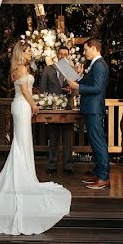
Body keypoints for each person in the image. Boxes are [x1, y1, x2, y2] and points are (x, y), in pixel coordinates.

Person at [0, 41, 72, 234]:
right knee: (21, 141)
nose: (31, 53)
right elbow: (25, 92)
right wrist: (34, 106)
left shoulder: (16, 68)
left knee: (21, 141)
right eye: (28, 50)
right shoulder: (22, 68)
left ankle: (24, 173)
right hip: (23, 105)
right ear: (21, 53)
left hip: (19, 105)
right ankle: (22, 176)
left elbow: (24, 90)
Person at [66, 38, 111, 190]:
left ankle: (104, 177)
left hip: (94, 109)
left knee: (98, 143)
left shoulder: (99, 65)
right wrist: (75, 85)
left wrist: (78, 87)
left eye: (85, 49)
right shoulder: (96, 65)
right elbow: (89, 83)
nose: (84, 53)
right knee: (95, 142)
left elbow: (97, 88)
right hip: (91, 109)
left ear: (94, 48)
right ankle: (99, 174)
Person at [40, 46, 74, 174]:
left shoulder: (70, 70)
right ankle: (52, 165)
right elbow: (43, 89)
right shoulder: (48, 69)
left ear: (68, 56)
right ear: (57, 55)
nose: (63, 56)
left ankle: (68, 166)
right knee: (53, 137)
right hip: (53, 109)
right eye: (61, 54)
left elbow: (76, 90)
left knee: (67, 138)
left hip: (67, 109)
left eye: (66, 54)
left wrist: (71, 90)